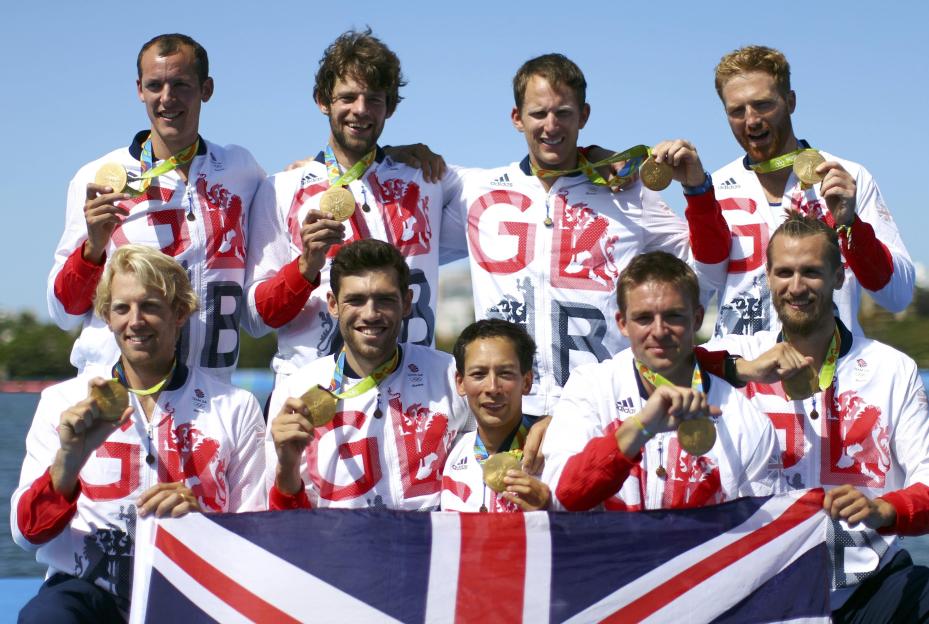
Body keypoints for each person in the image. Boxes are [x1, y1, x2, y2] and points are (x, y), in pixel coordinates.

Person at [444, 53, 732, 418]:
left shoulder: (629, 193)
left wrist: (696, 188)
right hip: (508, 411)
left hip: (601, 408)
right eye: (538, 113)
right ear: (516, 118)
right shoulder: (475, 189)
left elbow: (711, 269)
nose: (551, 126)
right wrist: (407, 151)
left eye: (563, 113)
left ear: (584, 115)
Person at [12, 245, 266, 622]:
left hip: (193, 588)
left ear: (180, 313)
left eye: (150, 306)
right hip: (86, 592)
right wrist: (68, 460)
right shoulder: (63, 402)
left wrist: (203, 521)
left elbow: (258, 537)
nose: (135, 321)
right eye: (121, 308)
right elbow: (26, 533)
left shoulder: (235, 406)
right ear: (106, 317)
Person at [709, 213, 929, 621]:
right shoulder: (730, 356)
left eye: (811, 272)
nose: (796, 287)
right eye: (784, 272)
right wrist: (740, 370)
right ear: (767, 277)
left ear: (839, 277)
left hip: (869, 587)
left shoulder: (892, 368)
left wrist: (886, 510)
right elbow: (647, 365)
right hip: (760, 591)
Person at [244, 29, 468, 388]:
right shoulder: (280, 189)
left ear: (390, 106)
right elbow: (255, 318)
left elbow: (527, 187)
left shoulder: (428, 180)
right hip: (314, 398)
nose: (360, 110)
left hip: (412, 395)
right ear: (322, 100)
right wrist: (305, 267)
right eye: (347, 97)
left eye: (374, 99)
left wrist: (589, 156)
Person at [48, 33, 265, 382]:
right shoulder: (98, 178)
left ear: (206, 89)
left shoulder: (241, 170)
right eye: (155, 85)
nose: (167, 98)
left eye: (180, 84)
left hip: (211, 398)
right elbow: (63, 313)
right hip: (116, 397)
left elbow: (284, 196)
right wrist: (92, 250)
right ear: (139, 90)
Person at [541, 251, 783, 511]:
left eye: (673, 316)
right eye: (644, 318)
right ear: (622, 324)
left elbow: (762, 537)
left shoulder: (744, 420)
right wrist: (640, 427)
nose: (659, 331)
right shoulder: (591, 388)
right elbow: (563, 498)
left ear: (697, 319)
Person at [707, 44, 913, 338]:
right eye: (737, 110)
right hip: (741, 378)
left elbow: (898, 296)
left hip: (829, 373)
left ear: (790, 101)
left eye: (763, 104)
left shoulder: (848, 177)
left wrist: (851, 225)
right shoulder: (712, 190)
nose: (751, 120)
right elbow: (692, 297)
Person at [266, 239, 471, 510]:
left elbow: (482, 480)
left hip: (430, 549)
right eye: (355, 300)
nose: (371, 313)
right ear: (333, 304)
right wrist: (287, 468)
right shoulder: (295, 392)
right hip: (340, 550)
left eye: (384, 299)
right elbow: (284, 525)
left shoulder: (451, 376)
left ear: (407, 302)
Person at [441, 319, 549, 512]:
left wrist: (550, 507)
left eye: (505, 373)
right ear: (460, 383)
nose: (492, 388)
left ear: (527, 381)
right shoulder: (451, 454)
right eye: (479, 374)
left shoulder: (552, 452)